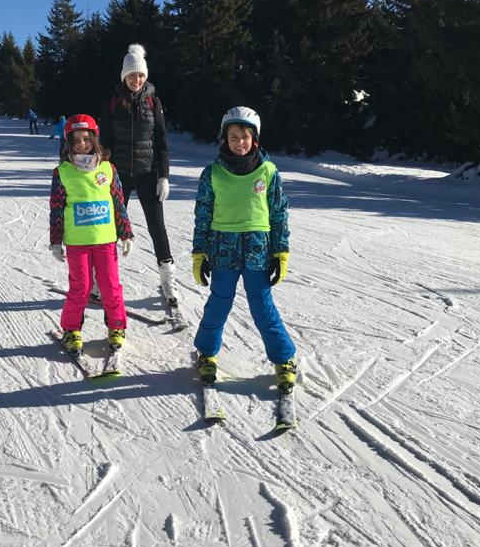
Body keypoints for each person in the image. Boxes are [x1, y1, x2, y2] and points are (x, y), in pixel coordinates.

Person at [191, 106, 297, 393]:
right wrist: (200, 253)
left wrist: (280, 252)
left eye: (245, 137)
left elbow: (279, 214)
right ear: (224, 139)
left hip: (257, 249)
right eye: (234, 137)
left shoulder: (268, 171)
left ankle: (284, 358)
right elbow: (203, 215)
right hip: (223, 247)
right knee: (219, 302)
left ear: (255, 139)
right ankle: (207, 353)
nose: (240, 142)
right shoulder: (212, 173)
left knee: (262, 306)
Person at [99, 44, 179, 308]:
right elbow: (105, 140)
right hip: (119, 175)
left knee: (157, 226)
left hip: (148, 173)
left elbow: (161, 141)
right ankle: (101, 281)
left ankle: (168, 280)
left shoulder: (153, 101)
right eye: (132, 75)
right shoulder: (112, 102)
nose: (137, 80)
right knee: (110, 227)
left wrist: (163, 175)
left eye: (141, 75)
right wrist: (100, 171)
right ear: (124, 76)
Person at [49, 114, 133, 353]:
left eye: (86, 139)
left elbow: (118, 203)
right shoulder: (63, 172)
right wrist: (56, 241)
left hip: (105, 240)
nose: (82, 144)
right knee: (81, 287)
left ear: (95, 140)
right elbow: (56, 208)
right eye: (76, 140)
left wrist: (126, 233)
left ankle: (117, 326)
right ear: (68, 143)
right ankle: (71, 329)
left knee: (110, 286)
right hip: (78, 242)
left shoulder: (107, 168)